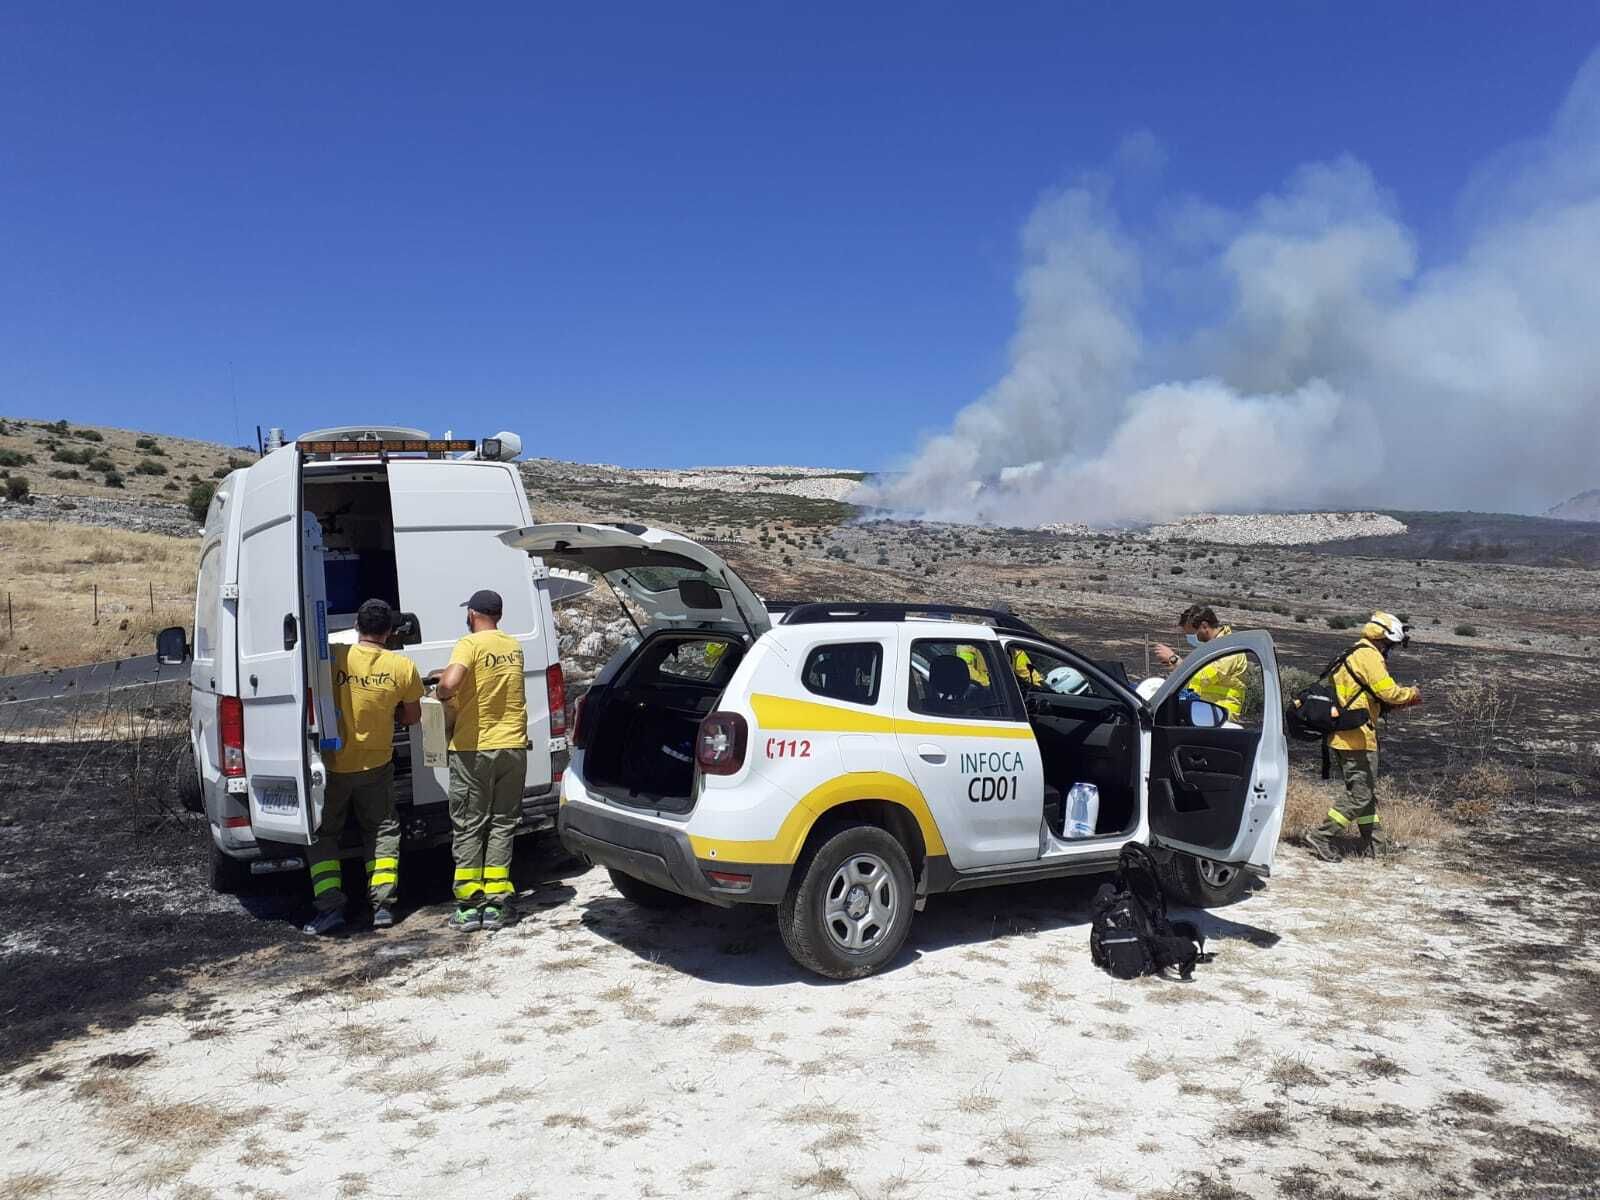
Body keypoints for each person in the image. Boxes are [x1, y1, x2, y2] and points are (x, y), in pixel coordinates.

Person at [304, 599, 423, 936]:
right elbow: (412, 717)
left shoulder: (334, 658)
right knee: (382, 830)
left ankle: (329, 906)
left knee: (324, 834)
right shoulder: (401, 667)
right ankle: (383, 905)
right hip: (377, 763)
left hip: (333, 765)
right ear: (390, 631)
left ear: (357, 625)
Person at [434, 588, 528, 932]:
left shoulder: (469, 644)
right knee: (503, 823)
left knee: (470, 825)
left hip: (475, 749)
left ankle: (469, 907)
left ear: (473, 614)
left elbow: (452, 682)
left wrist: (441, 690)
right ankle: (497, 905)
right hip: (513, 746)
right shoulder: (513, 646)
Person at [1303, 611, 1422, 862]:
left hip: (1345, 734)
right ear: (1384, 639)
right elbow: (1388, 692)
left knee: (1364, 792)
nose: (1391, 651)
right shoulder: (1369, 657)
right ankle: (1322, 835)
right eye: (1391, 645)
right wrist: (1411, 694)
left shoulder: (1353, 652)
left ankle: (1376, 845)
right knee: (1360, 794)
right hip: (1357, 736)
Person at [1153, 604, 1249, 719]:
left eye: (1192, 634)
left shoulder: (1228, 648)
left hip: (1223, 717)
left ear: (1204, 626)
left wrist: (1174, 660)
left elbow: (1204, 677)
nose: (1191, 638)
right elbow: (1194, 683)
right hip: (1208, 712)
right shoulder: (1212, 648)